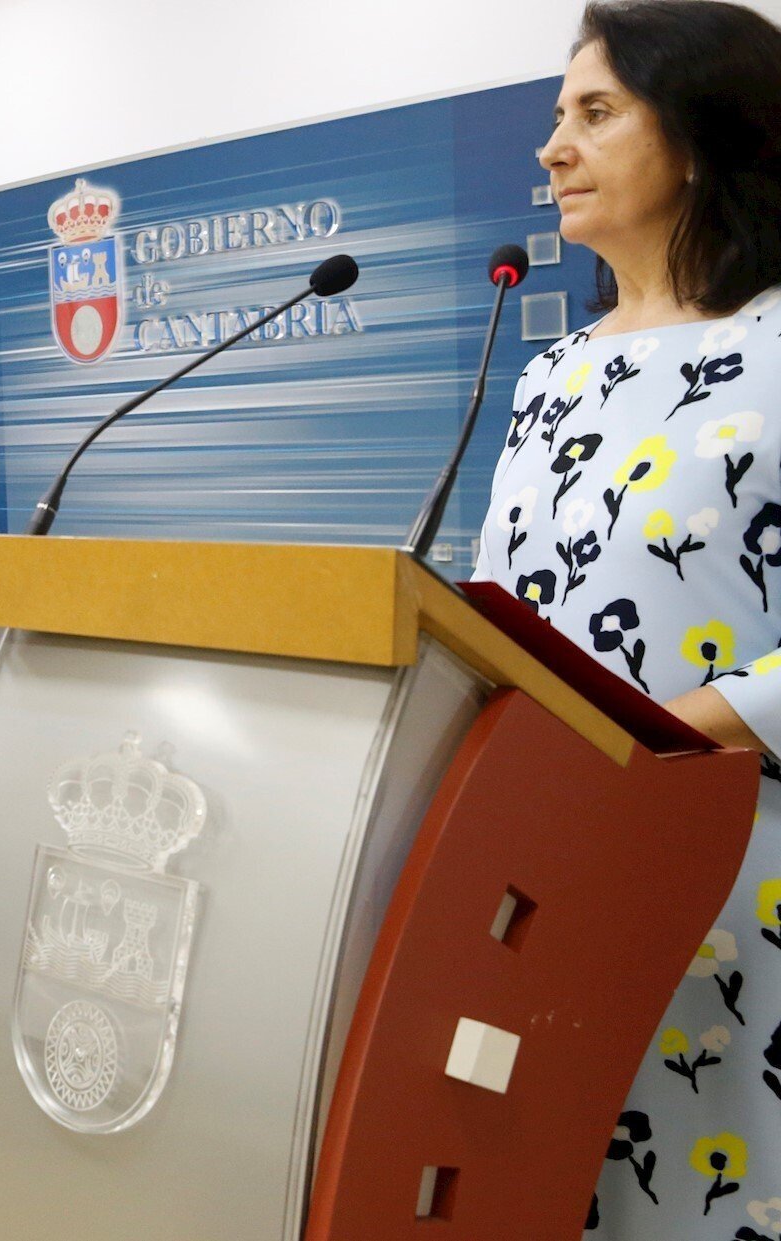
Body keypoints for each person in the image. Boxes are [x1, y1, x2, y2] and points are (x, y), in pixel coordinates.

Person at [472, 2, 781, 1232]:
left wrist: (666, 734)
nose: (553, 148)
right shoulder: (551, 372)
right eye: (559, 116)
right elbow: (497, 614)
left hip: (742, 874)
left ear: (700, 136)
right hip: (558, 865)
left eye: (596, 113)